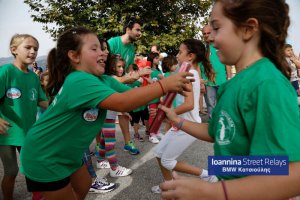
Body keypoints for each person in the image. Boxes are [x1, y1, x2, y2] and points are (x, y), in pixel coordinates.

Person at [19, 27, 192, 199]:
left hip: (66, 152)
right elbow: (123, 102)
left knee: (85, 183)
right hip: (46, 154)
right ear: (74, 56)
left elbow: (129, 94)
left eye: (102, 48)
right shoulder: (79, 80)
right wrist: (164, 86)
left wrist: (165, 90)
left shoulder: (102, 79)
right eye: (94, 49)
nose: (102, 52)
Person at [159, 1, 300, 199]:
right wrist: (177, 120)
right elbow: (217, 132)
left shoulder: (267, 83)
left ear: (248, 28)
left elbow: (292, 173)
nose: (211, 37)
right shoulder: (233, 85)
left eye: (216, 27)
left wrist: (215, 191)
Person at [151, 39, 216, 194]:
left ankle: (207, 175)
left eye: (180, 52)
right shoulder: (188, 72)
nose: (177, 55)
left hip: (188, 125)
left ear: (190, 56)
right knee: (158, 154)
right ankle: (169, 184)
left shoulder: (191, 73)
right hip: (180, 124)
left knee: (167, 160)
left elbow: (189, 105)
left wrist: (165, 113)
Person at [0, 34, 48, 200]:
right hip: (6, 132)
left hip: (28, 131)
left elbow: (42, 100)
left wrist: (61, 107)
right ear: (14, 50)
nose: (33, 51)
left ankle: (37, 195)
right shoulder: (6, 71)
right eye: (28, 47)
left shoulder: (34, 76)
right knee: (11, 171)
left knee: (33, 166)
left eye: (36, 48)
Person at [108, 18, 143, 154]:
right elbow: (105, 66)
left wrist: (136, 78)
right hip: (109, 82)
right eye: (137, 30)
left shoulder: (132, 48)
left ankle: (128, 142)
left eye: (140, 30)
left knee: (125, 110)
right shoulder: (113, 42)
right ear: (128, 29)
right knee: (104, 116)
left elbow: (128, 69)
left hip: (120, 83)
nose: (140, 33)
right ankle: (100, 146)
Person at [200, 24, 231, 119]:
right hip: (208, 82)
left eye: (208, 32)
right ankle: (212, 127)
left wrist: (229, 77)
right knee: (210, 105)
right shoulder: (202, 49)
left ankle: (223, 124)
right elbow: (199, 65)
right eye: (204, 33)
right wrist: (201, 81)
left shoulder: (220, 45)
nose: (206, 35)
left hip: (222, 80)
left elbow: (227, 62)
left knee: (224, 104)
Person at [147, 52, 164, 144]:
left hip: (159, 97)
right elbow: (148, 82)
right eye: (156, 58)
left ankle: (156, 131)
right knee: (152, 115)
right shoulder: (148, 70)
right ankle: (151, 134)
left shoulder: (158, 71)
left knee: (158, 115)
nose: (158, 60)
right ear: (152, 59)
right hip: (152, 97)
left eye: (158, 58)